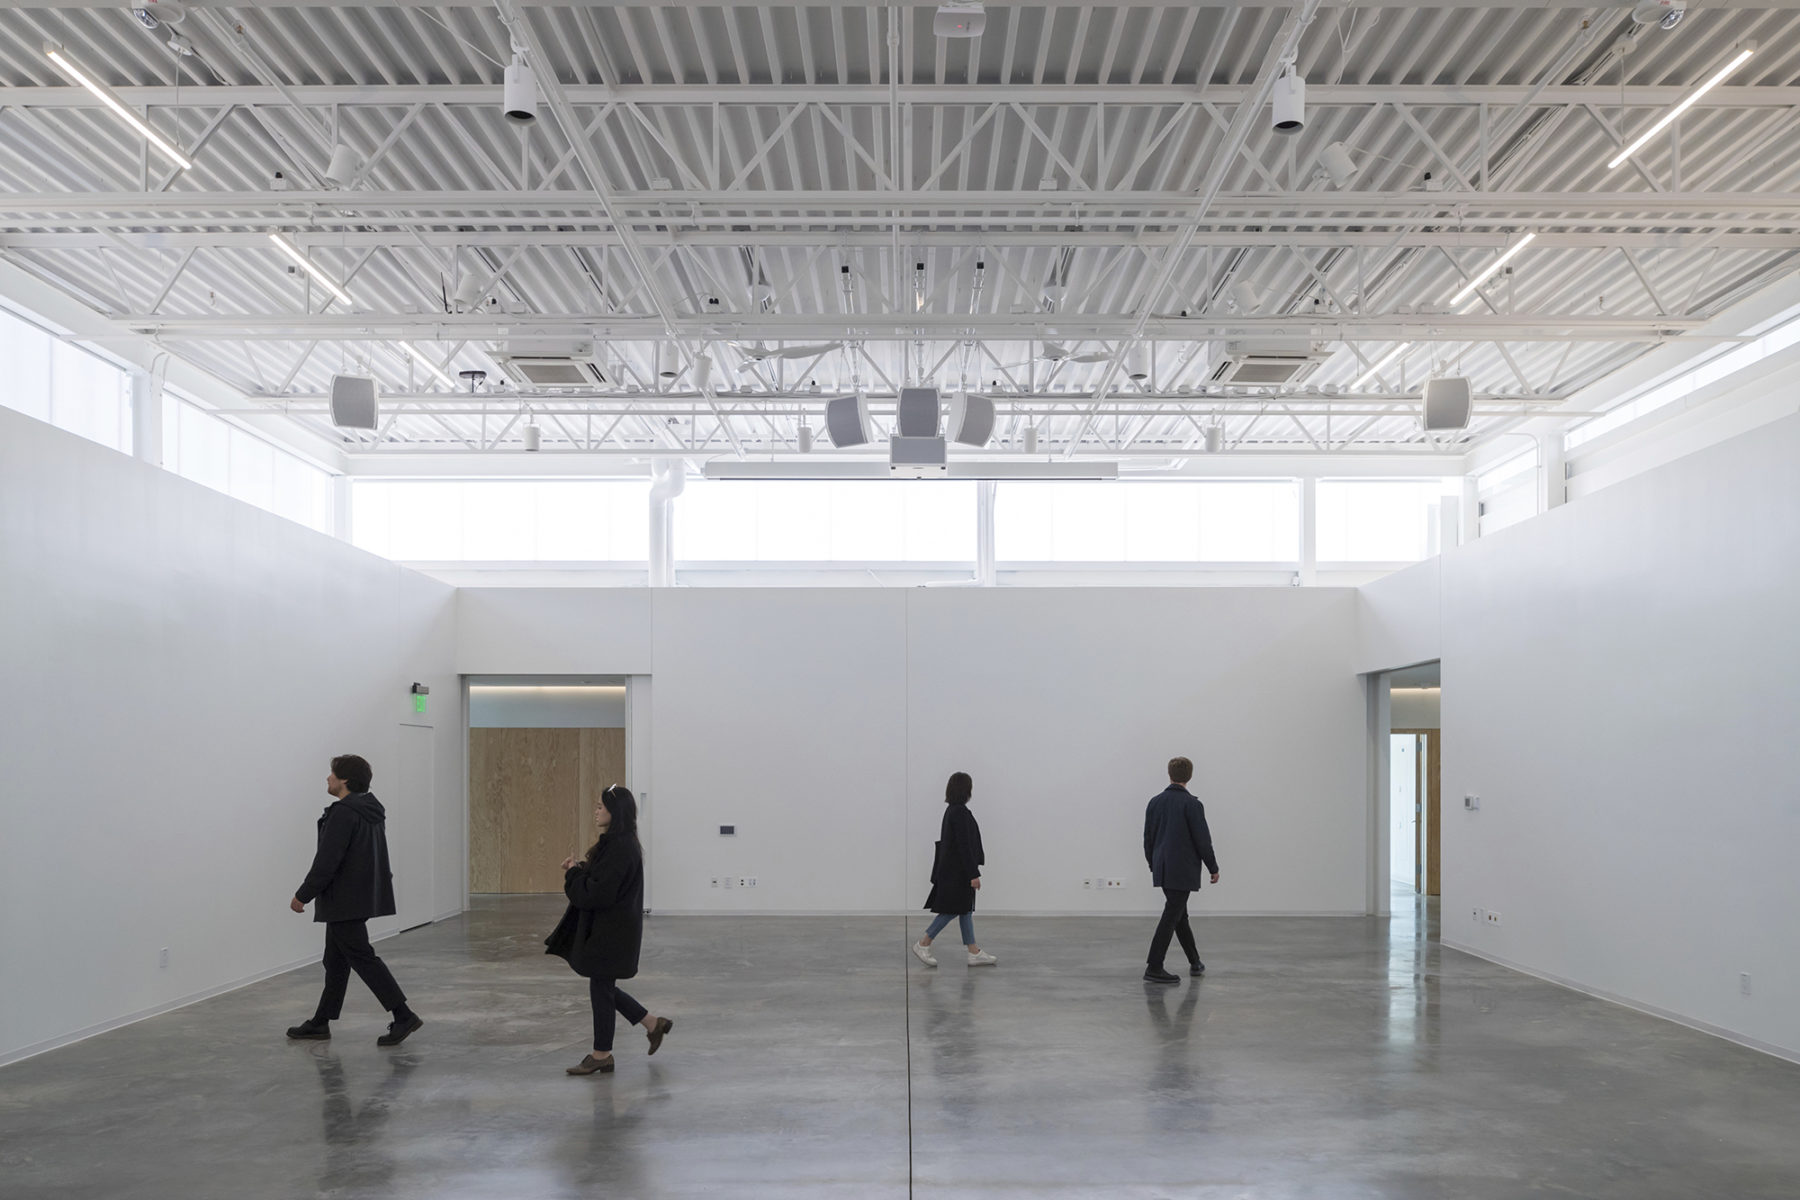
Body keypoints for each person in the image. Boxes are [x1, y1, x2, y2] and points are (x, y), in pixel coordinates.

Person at [286, 755, 423, 1045]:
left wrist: (303, 895)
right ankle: (321, 1022)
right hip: (356, 897)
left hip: (343, 900)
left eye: (332, 774)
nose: (328, 779)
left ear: (344, 780)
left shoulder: (344, 813)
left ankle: (403, 1015)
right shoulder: (369, 810)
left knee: (362, 958)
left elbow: (327, 861)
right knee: (335, 961)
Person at [546, 785, 673, 1075]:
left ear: (616, 812)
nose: (597, 811)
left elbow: (597, 894)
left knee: (601, 987)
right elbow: (602, 883)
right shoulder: (618, 844)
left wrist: (573, 875)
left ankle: (602, 1054)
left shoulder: (620, 847)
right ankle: (652, 1024)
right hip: (612, 929)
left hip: (611, 932)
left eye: (601, 806)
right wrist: (579, 869)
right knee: (601, 986)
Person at [1141, 756, 1219, 985]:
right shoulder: (1192, 804)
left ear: (1169, 774)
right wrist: (1212, 867)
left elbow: (1148, 838)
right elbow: (1202, 840)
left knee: (1179, 915)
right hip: (1182, 869)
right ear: (1190, 776)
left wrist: (1153, 863)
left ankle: (1195, 962)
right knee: (1171, 916)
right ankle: (1154, 966)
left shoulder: (1155, 802)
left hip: (1163, 867)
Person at [912, 772, 997, 968]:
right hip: (957, 873)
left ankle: (973, 951)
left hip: (954, 871)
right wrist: (973, 874)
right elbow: (964, 846)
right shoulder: (959, 812)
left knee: (965, 910)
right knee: (951, 910)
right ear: (966, 789)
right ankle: (923, 943)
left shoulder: (953, 810)